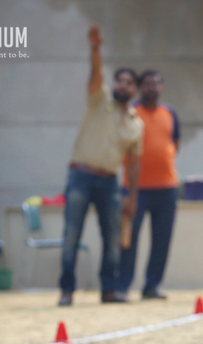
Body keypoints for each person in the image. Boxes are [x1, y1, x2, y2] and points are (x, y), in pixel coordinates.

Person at [58, 24, 143, 307]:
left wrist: (131, 194)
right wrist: (95, 49)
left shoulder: (136, 123)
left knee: (112, 236)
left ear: (135, 90)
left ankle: (109, 290)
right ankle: (67, 290)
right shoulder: (99, 98)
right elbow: (97, 74)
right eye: (120, 81)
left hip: (110, 181)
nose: (123, 86)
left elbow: (133, 162)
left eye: (129, 83)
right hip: (81, 174)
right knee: (71, 233)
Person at [117, 69, 180, 300]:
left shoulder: (169, 112)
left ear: (161, 87)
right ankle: (122, 286)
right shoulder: (130, 112)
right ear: (140, 87)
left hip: (166, 187)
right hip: (134, 188)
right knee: (128, 239)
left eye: (155, 83)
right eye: (146, 84)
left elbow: (175, 143)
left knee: (161, 240)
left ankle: (152, 286)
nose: (151, 88)